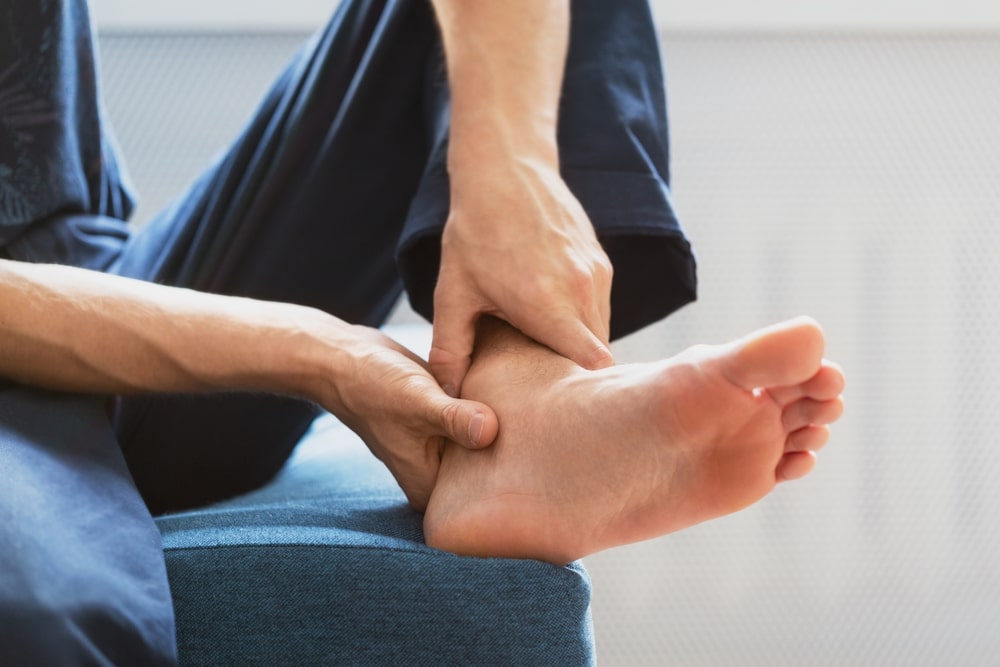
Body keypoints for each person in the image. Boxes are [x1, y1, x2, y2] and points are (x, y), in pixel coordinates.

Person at [0, 0, 844, 664]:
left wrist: (506, 160)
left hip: (87, 263)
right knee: (43, 611)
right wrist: (321, 352)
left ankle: (523, 403)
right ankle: (511, 424)